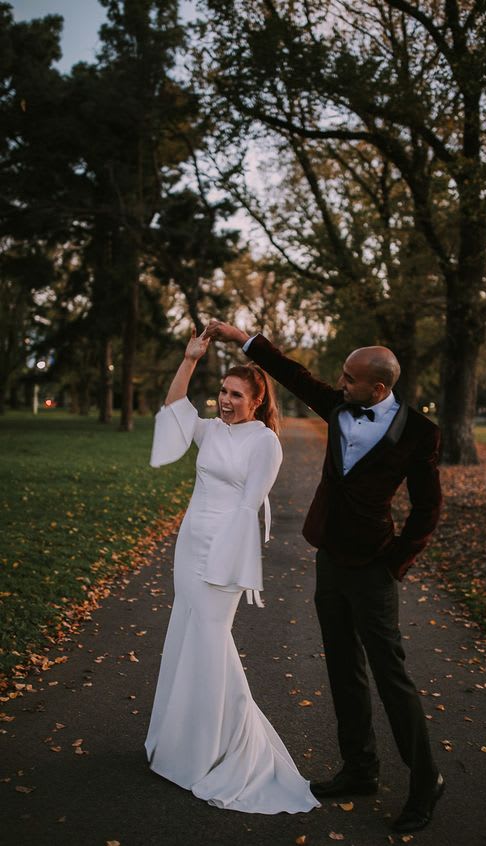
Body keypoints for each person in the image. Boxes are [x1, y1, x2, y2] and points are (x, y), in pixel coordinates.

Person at [204, 320, 444, 834]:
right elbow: (292, 373)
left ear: (378, 389)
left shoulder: (419, 433)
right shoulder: (336, 406)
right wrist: (238, 336)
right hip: (329, 559)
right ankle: (360, 769)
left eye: (350, 378)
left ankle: (426, 782)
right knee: (342, 665)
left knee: (390, 675)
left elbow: (428, 509)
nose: (340, 383)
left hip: (374, 567)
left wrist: (395, 561)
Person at [145, 326, 319, 815]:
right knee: (186, 630)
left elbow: (249, 509)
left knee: (211, 636)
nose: (224, 401)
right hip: (191, 539)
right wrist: (189, 360)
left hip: (224, 550)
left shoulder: (265, 444)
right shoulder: (211, 429)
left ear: (257, 400)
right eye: (222, 392)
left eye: (236, 395)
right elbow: (175, 412)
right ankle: (176, 743)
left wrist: (230, 566)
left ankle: (214, 749)